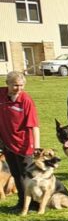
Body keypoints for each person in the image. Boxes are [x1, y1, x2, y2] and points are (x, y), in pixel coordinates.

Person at [0, 71, 40, 212]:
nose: (18, 88)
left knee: (26, 175)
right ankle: (22, 202)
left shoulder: (26, 100)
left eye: (21, 85)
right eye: (15, 85)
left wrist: (37, 148)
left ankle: (33, 204)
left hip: (24, 144)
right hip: (7, 143)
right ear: (7, 84)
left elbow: (34, 126)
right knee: (16, 174)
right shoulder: (2, 94)